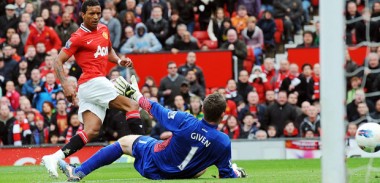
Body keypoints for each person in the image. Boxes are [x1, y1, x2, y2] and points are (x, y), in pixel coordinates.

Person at [59, 77, 246, 181]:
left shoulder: (186, 120)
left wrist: (136, 94)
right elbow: (226, 175)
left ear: (203, 109)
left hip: (156, 163)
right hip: (182, 173)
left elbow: (156, 110)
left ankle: (77, 172)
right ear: (223, 115)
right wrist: (236, 172)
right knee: (202, 166)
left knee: (124, 142)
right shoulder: (223, 142)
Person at [41, 0, 145, 178]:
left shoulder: (104, 30)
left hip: (91, 86)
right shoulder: (78, 36)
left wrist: (119, 61)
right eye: (91, 14)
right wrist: (66, 85)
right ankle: (145, 151)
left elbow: (108, 50)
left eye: (98, 13)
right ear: (82, 15)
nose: (96, 17)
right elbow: (58, 61)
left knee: (92, 130)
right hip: (92, 82)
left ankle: (53, 157)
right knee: (132, 105)